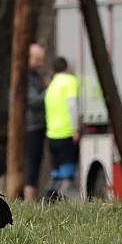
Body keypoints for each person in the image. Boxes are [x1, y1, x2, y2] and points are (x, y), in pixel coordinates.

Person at [44, 56, 80, 200]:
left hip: (52, 135)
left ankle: (50, 196)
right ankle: (68, 199)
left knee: (57, 172)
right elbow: (72, 105)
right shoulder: (70, 81)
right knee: (68, 173)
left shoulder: (51, 86)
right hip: (66, 133)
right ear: (67, 67)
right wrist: (75, 128)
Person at [24, 44, 46, 202]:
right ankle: (29, 199)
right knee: (32, 163)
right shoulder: (27, 78)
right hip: (32, 126)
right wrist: (49, 89)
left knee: (36, 163)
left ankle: (31, 197)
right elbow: (33, 101)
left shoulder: (35, 76)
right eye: (37, 60)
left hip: (37, 125)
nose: (41, 64)